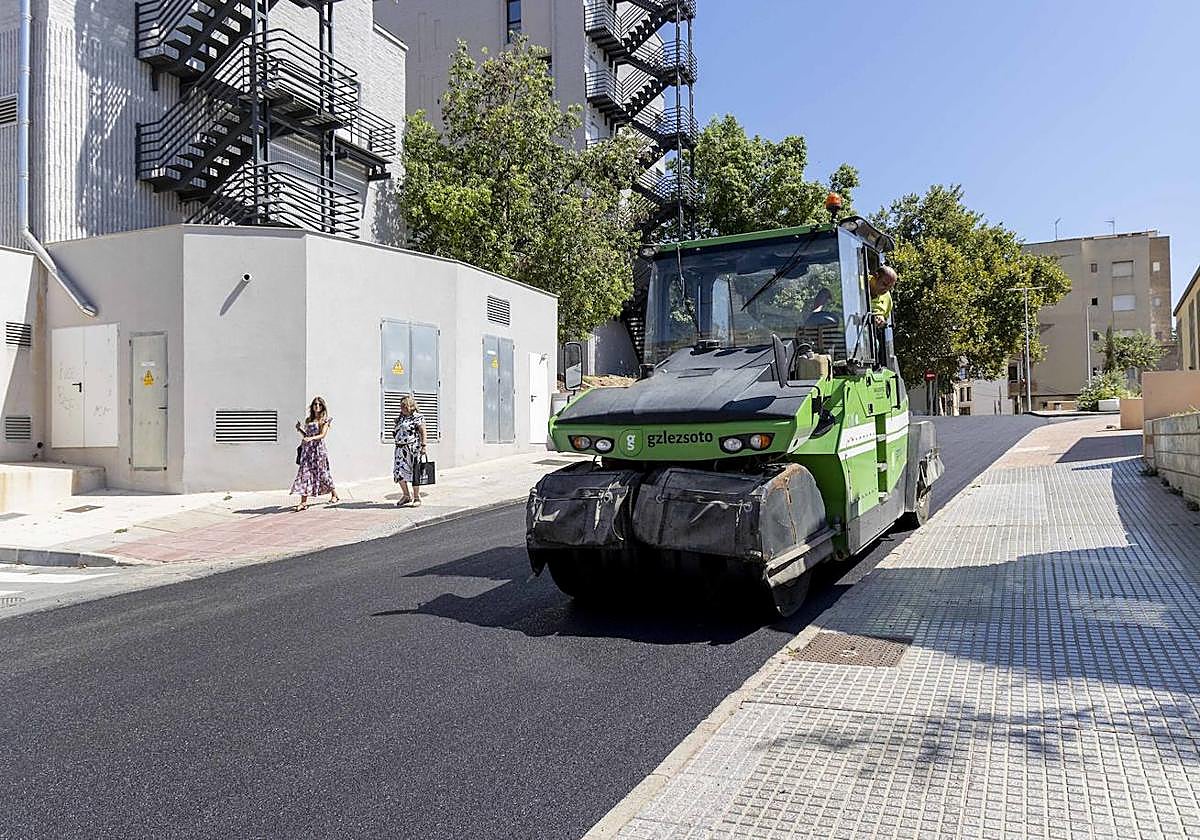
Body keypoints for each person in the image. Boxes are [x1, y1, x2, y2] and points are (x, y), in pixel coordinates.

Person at [291, 396, 339, 511]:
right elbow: (307, 435)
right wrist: (300, 429)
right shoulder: (309, 420)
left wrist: (310, 439)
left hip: (318, 451)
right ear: (312, 406)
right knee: (305, 474)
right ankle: (303, 503)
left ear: (322, 407)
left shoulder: (324, 420)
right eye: (315, 404)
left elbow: (322, 435)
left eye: (319, 404)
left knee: (323, 474)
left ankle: (334, 494)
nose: (317, 406)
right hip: (308, 451)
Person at [392, 395, 428, 507]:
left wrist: (423, 446)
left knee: (414, 473)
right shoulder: (401, 418)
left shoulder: (417, 417)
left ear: (410, 406)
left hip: (412, 450)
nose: (401, 408)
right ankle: (406, 495)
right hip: (400, 449)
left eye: (404, 406)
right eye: (401, 406)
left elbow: (423, 432)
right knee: (398, 473)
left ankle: (417, 497)